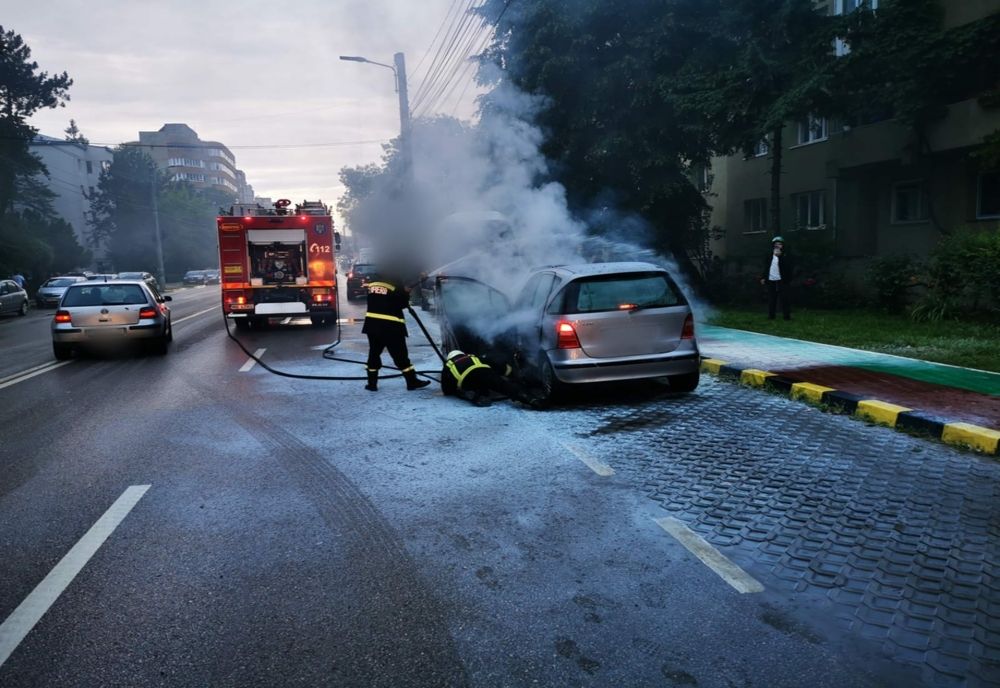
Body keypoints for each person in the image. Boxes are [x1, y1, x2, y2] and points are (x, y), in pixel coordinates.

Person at [362, 272, 431, 392]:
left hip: (372, 326)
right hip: (391, 327)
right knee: (401, 356)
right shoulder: (395, 283)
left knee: (374, 354)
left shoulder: (373, 283)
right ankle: (411, 381)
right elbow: (402, 304)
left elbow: (381, 299)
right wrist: (406, 293)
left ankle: (372, 384)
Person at [441, 349, 538, 407]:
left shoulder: (448, 365)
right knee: (504, 386)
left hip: (467, 381)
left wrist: (453, 389)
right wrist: (511, 375)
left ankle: (478, 396)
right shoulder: (473, 357)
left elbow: (447, 389)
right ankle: (531, 400)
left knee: (469, 390)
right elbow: (496, 365)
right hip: (486, 373)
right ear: (462, 354)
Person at [759, 236, 792, 320]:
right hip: (771, 280)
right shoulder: (770, 255)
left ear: (783, 245)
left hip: (782, 280)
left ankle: (786, 317)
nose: (777, 246)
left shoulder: (786, 255)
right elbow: (766, 267)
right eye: (776, 244)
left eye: (779, 244)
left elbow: (788, 268)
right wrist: (763, 277)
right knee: (771, 299)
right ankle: (771, 316)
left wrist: (780, 256)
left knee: (784, 299)